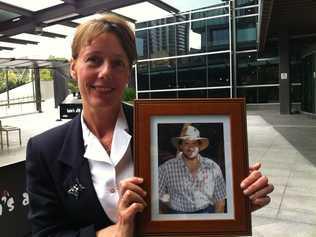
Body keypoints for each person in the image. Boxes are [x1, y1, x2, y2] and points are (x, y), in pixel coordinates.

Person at [25, 14, 274, 237]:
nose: (105, 73)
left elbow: (187, 210)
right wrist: (116, 232)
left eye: (118, 63)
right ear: (73, 68)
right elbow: (45, 232)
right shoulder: (44, 149)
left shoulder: (158, 129)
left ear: (128, 73)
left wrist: (236, 204)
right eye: (93, 60)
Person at [159, 124, 226, 214]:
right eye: (186, 143)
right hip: (177, 216)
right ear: (181, 146)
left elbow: (220, 202)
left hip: (206, 214)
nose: (191, 147)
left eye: (194, 143)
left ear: (199, 146)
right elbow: (156, 199)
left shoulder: (213, 167)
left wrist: (215, 225)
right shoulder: (166, 168)